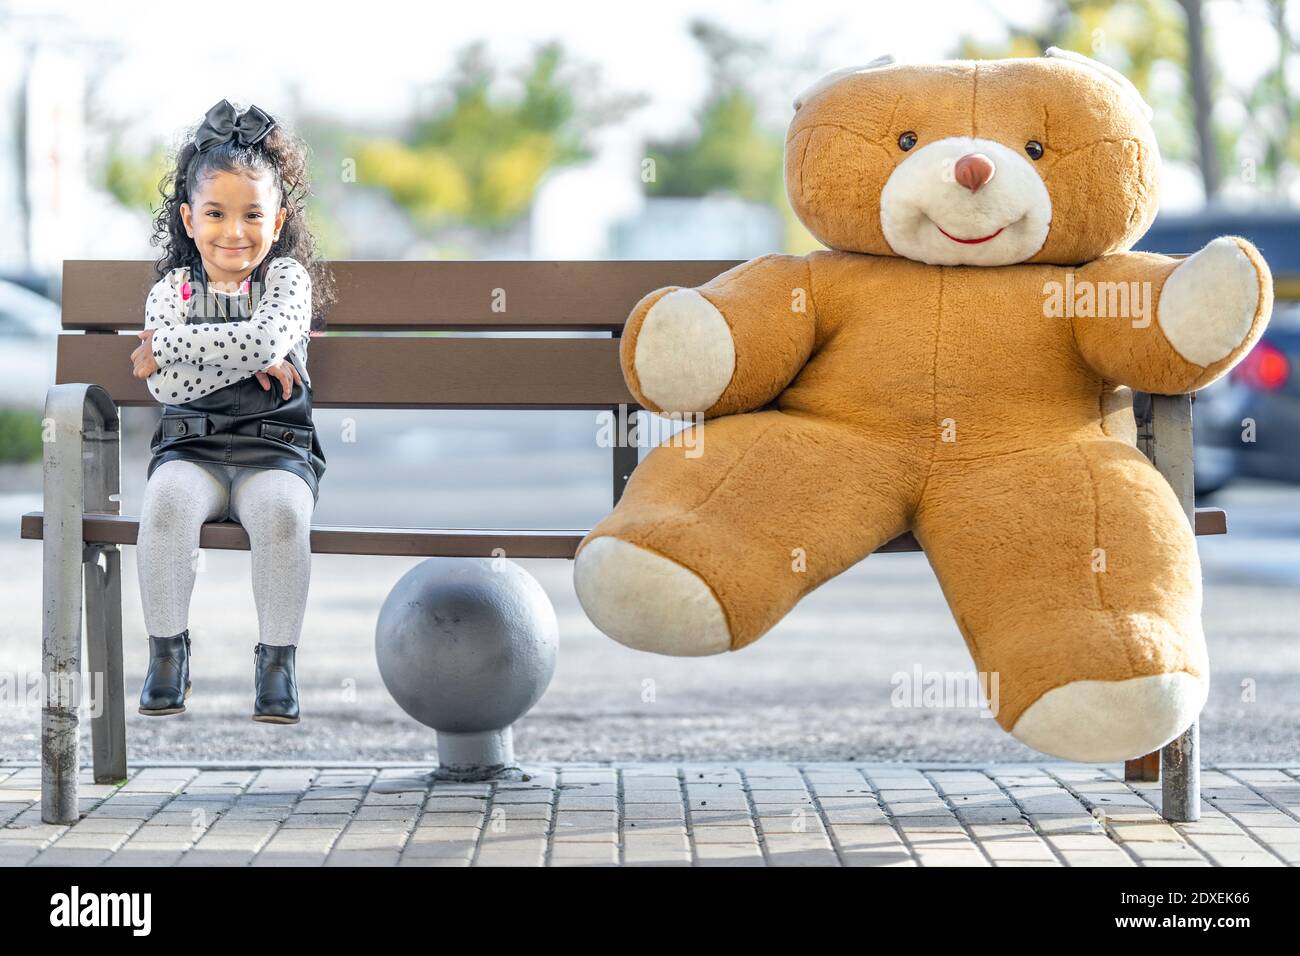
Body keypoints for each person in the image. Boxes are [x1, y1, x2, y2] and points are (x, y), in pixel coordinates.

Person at [128, 99, 336, 724]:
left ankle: (277, 661)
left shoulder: (289, 282)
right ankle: (168, 653)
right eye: (216, 214)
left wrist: (168, 344)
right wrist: (245, 354)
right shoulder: (172, 289)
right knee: (164, 506)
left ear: (276, 225)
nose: (234, 232)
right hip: (190, 447)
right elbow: (168, 391)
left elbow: (266, 341)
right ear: (190, 220)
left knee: (279, 514)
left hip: (275, 448)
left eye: (252, 215)